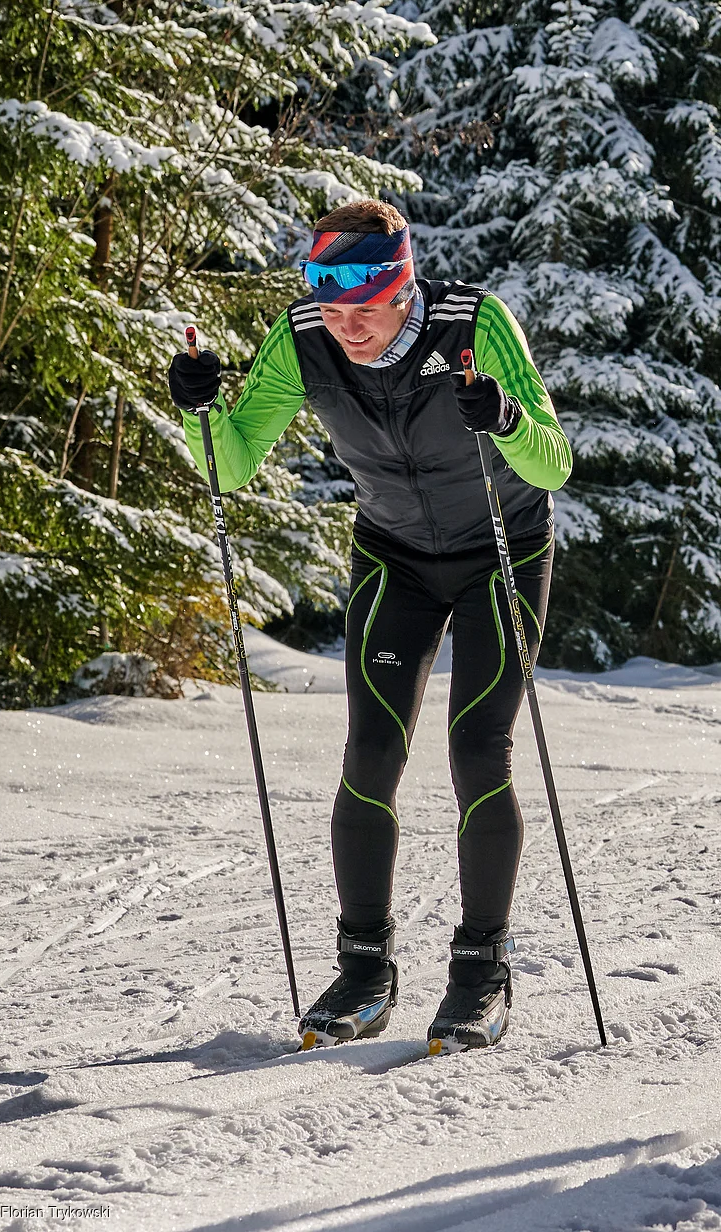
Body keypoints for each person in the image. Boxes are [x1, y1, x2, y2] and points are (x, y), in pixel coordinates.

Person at [167, 199, 571, 1052]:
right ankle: (364, 971)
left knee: (477, 749)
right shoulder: (304, 337)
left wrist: (503, 418)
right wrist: (199, 410)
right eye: (331, 305)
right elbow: (230, 468)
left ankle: (480, 971)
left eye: (365, 309)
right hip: (395, 558)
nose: (344, 326)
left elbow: (554, 463)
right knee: (371, 756)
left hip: (503, 549)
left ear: (402, 287)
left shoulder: (474, 326)